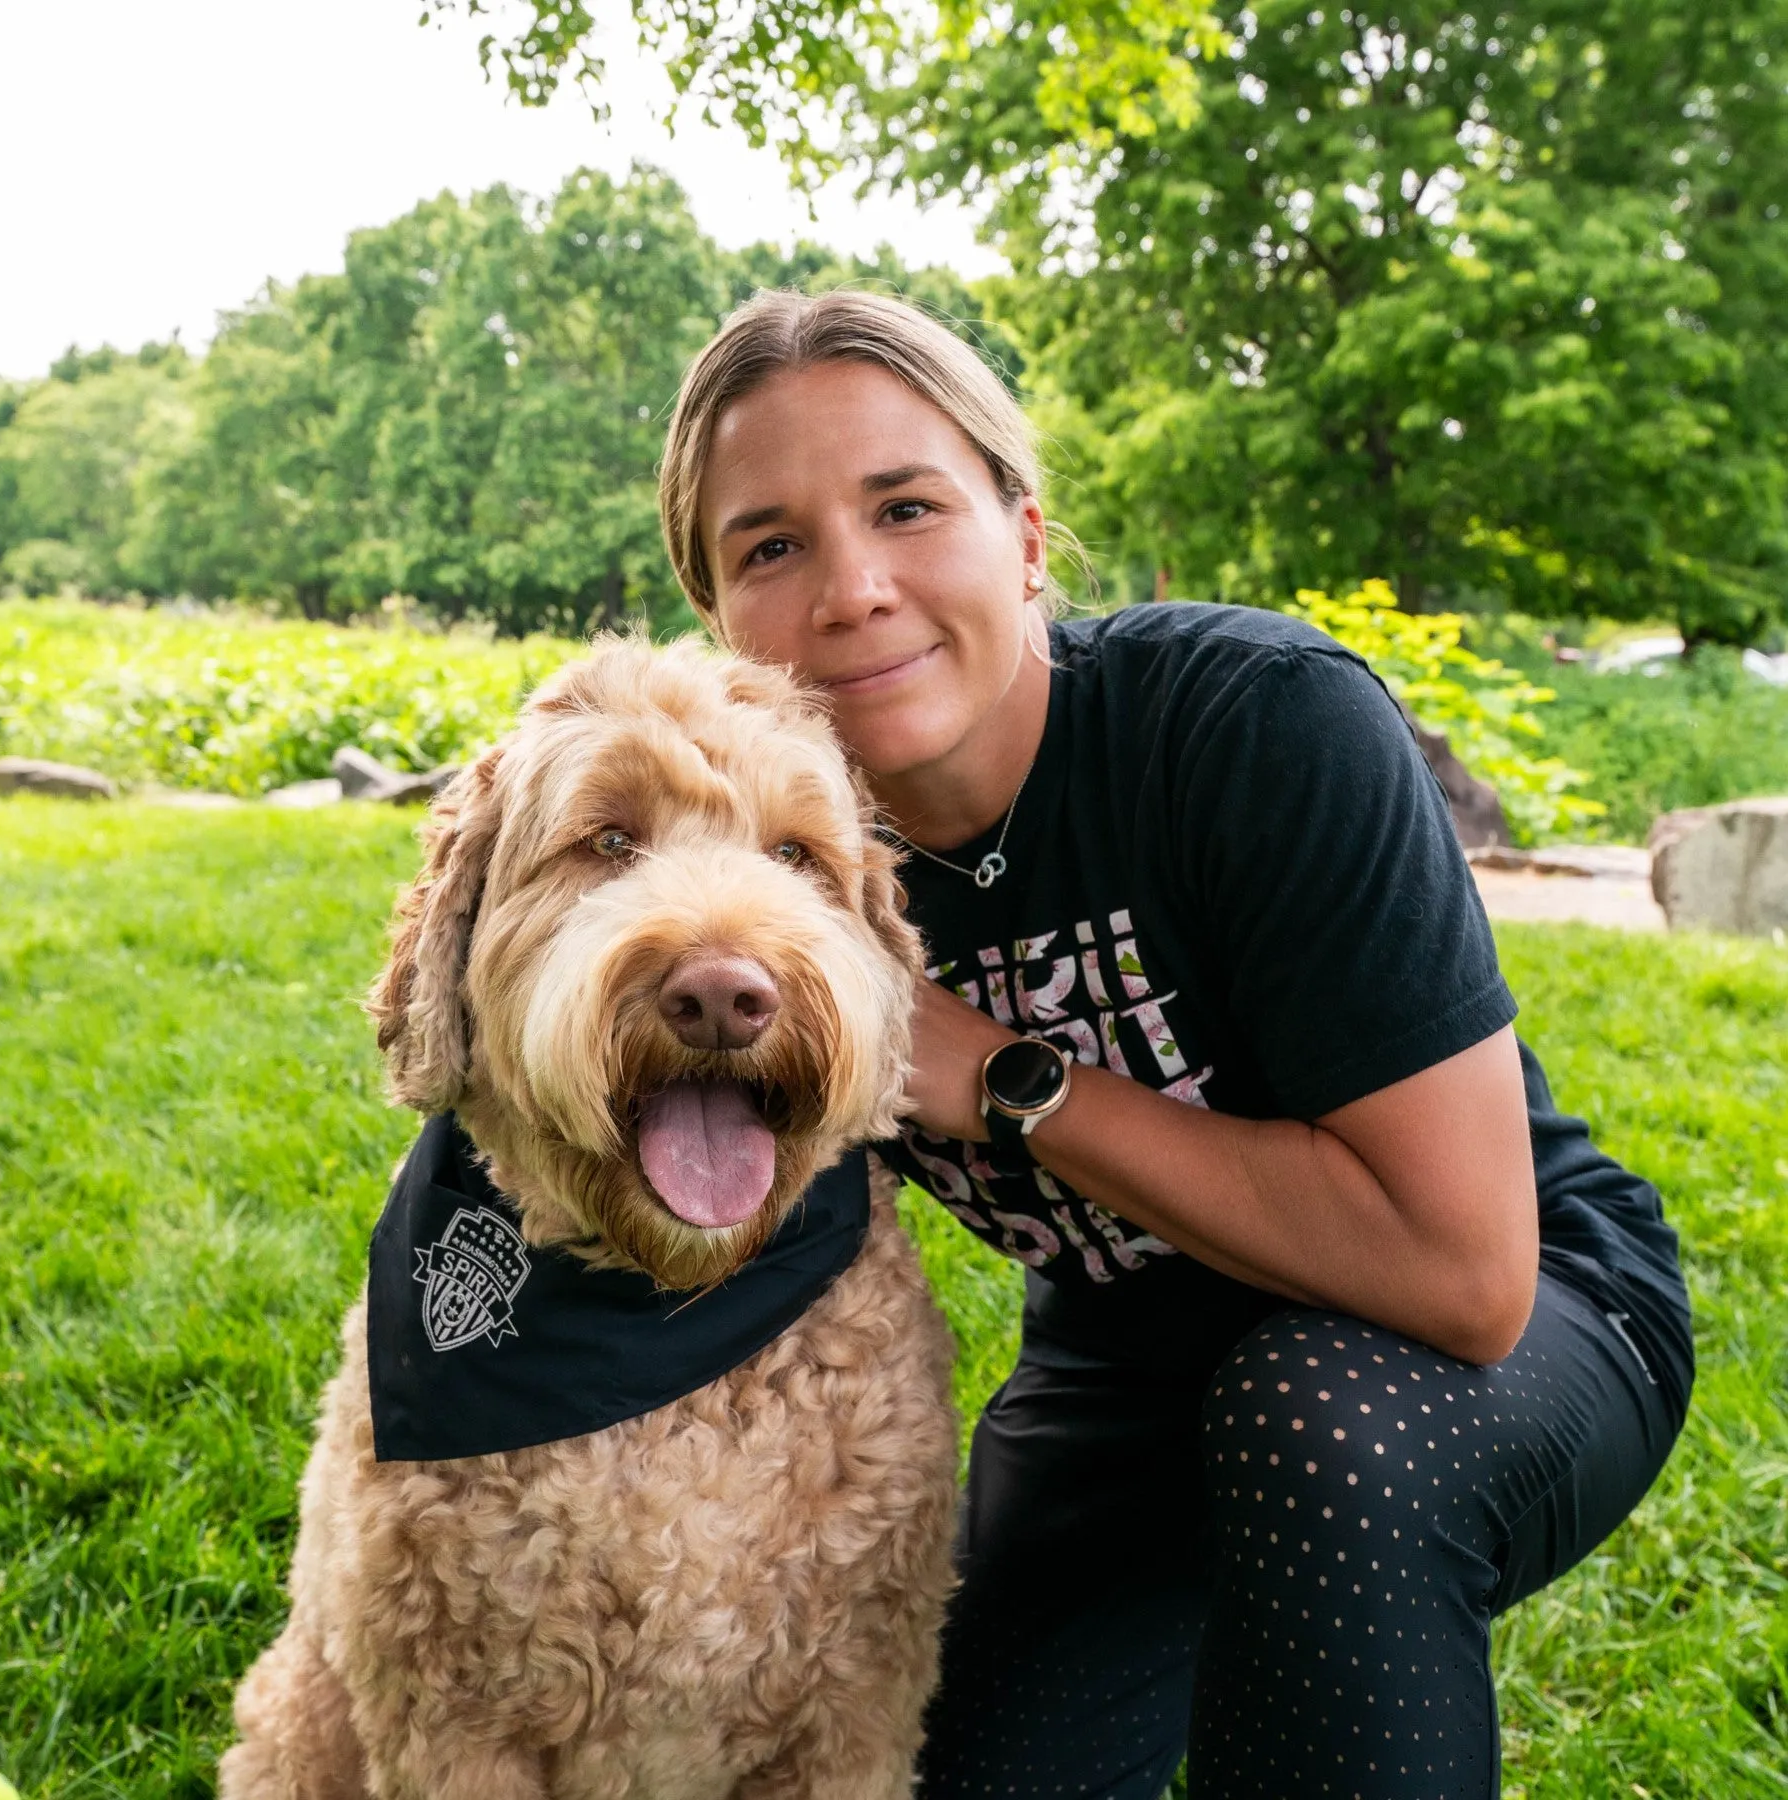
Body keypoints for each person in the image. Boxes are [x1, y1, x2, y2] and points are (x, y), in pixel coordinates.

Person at [655, 288, 1692, 1800]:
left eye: (906, 506)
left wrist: (1002, 1075)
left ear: (1022, 539)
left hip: (1518, 1317)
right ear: (722, 623)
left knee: (1319, 1424)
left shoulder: (1260, 726)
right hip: (1121, 1373)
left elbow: (1466, 1276)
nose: (852, 587)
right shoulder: (766, 883)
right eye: (772, 545)